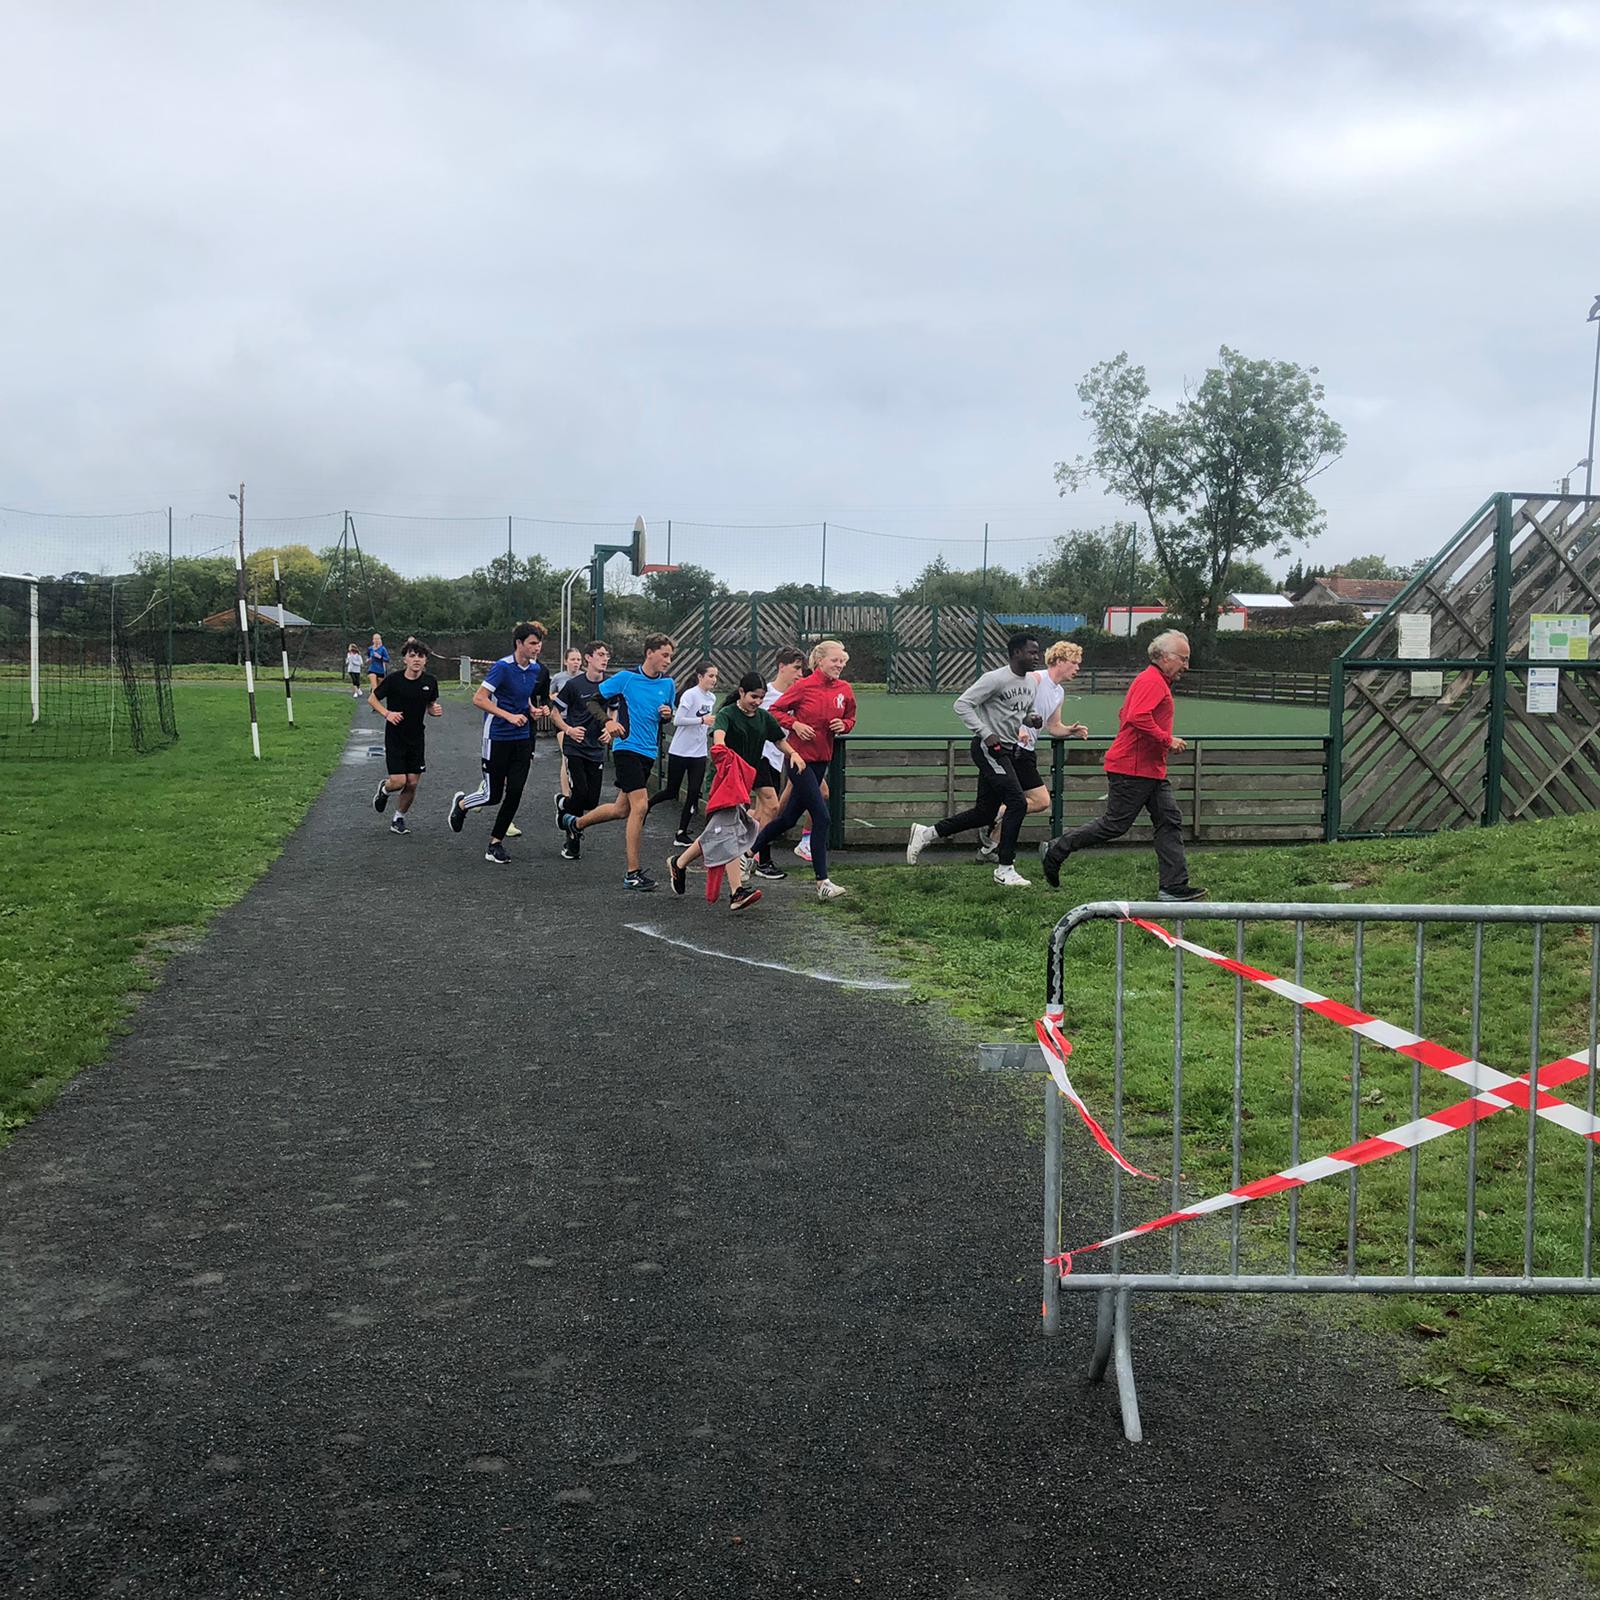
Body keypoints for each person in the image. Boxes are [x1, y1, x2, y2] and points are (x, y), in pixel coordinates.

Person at [1039, 629, 1205, 902]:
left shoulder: (1153, 680)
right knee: (1114, 825)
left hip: (1148, 768)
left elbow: (1125, 714)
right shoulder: (1152, 681)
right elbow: (1138, 716)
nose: (1186, 666)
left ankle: (1173, 886)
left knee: (1169, 819)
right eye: (1183, 659)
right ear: (1164, 657)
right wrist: (1167, 739)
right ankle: (1056, 849)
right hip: (1133, 769)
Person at [905, 634, 1045, 887]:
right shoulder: (994, 679)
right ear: (1015, 653)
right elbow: (962, 704)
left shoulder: (1032, 683)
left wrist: (1031, 720)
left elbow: (1023, 712)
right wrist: (985, 733)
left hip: (1009, 749)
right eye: (1031, 653)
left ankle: (927, 834)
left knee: (985, 812)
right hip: (989, 749)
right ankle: (1005, 868)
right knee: (1017, 803)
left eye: (1038, 653)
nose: (1037, 657)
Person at [563, 633, 677, 891]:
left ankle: (575, 823)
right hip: (626, 747)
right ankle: (632, 873)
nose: (668, 661)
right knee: (640, 806)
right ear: (650, 652)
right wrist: (609, 722)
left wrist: (667, 715)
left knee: (621, 809)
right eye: (665, 655)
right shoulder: (626, 679)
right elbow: (593, 701)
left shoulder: (668, 684)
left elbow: (667, 717)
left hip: (648, 752)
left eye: (670, 656)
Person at [749, 640, 855, 902]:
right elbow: (774, 711)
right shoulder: (804, 687)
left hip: (821, 759)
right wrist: (795, 725)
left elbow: (851, 717)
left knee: (786, 819)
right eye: (835, 660)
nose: (840, 665)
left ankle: (748, 854)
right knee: (822, 817)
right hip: (798, 760)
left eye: (842, 661)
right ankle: (822, 882)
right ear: (819, 661)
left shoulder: (845, 689)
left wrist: (844, 724)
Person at [448, 621, 551, 864]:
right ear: (519, 644)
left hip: (522, 737)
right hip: (496, 736)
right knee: (493, 795)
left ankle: (495, 843)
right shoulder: (502, 668)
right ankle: (462, 804)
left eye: (539, 643)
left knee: (515, 791)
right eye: (532, 643)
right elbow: (479, 699)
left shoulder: (535, 669)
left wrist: (532, 710)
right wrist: (508, 715)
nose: (538, 648)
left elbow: (523, 698)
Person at [979, 639, 1089, 860]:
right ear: (1059, 661)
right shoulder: (1036, 679)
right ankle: (996, 816)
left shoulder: (1058, 692)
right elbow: (1010, 704)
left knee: (1022, 803)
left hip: (1027, 751)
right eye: (1074, 662)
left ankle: (989, 847)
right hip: (1013, 748)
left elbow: (1053, 726)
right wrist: (1016, 727)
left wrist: (1070, 730)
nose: (1077, 668)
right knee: (1040, 801)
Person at [666, 738, 765, 913]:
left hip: (741, 780)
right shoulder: (726, 714)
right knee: (728, 833)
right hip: (724, 783)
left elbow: (778, 737)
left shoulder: (762, 716)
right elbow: (718, 740)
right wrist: (723, 751)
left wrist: (794, 753)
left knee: (717, 834)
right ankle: (737, 892)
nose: (755, 707)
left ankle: (679, 862)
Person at [369, 638, 442, 834]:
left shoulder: (430, 682)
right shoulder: (394, 680)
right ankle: (384, 790)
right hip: (395, 737)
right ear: (405, 660)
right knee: (399, 781)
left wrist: (433, 710)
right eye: (412, 656)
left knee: (412, 782)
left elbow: (430, 704)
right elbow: (372, 698)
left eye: (420, 656)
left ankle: (398, 819)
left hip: (416, 737)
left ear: (425, 660)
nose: (416, 659)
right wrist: (387, 714)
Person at [550, 640, 612, 859]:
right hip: (575, 748)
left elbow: (615, 711)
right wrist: (568, 730)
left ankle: (561, 803)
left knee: (592, 802)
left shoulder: (610, 685)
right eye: (601, 654)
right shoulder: (574, 685)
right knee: (580, 793)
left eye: (607, 655)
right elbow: (554, 713)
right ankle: (572, 842)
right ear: (588, 658)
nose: (605, 658)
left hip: (596, 749)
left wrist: (610, 730)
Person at [647, 660, 718, 847]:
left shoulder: (711, 698)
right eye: (711, 676)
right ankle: (646, 805)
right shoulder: (690, 695)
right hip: (680, 750)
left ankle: (682, 832)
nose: (714, 680)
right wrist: (701, 720)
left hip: (699, 752)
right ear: (700, 676)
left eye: (715, 676)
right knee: (672, 791)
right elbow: (678, 720)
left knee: (694, 792)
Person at [752, 647, 806, 880]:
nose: (799, 674)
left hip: (775, 759)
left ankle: (739, 852)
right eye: (796, 669)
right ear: (781, 667)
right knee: (771, 808)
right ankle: (763, 861)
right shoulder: (766, 695)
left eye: (802, 670)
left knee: (759, 812)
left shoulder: (797, 696)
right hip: (758, 757)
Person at [365, 633, 390, 699]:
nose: (376, 640)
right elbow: (368, 657)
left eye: (378, 639)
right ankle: (374, 705)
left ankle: (374, 699)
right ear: (373, 640)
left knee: (378, 690)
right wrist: (368, 660)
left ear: (380, 640)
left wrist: (380, 657)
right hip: (372, 669)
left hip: (380, 670)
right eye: (375, 639)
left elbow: (387, 659)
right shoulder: (370, 648)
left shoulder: (383, 649)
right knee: (374, 687)